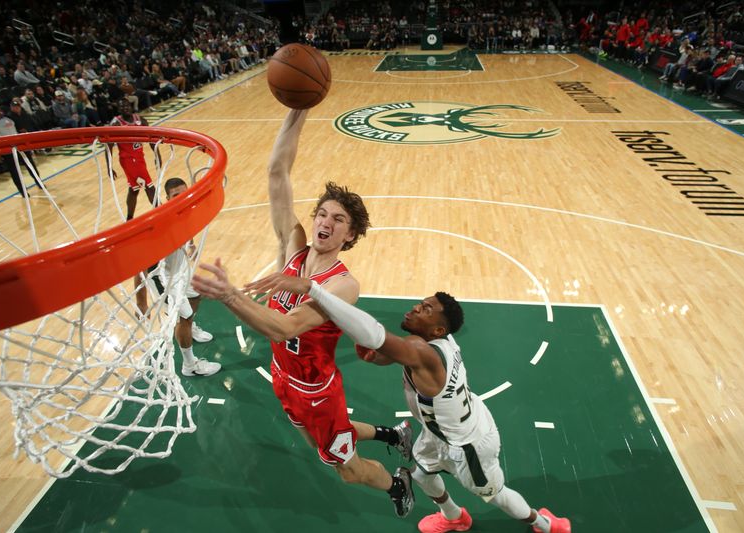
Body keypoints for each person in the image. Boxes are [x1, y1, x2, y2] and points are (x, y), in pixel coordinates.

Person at [191, 109, 415, 518]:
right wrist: (300, 108)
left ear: (349, 236)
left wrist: (229, 296)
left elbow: (286, 326)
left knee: (348, 471)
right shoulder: (292, 246)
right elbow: (278, 173)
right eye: (322, 214)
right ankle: (390, 433)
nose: (325, 222)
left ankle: (398, 482)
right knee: (321, 442)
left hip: (318, 392)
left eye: (338, 219)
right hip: (282, 377)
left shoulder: (343, 285)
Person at [242, 275, 573, 533]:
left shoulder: (423, 351)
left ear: (438, 327)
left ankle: (542, 523)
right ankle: (454, 517)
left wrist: (315, 290)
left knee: (495, 494)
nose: (417, 308)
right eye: (421, 303)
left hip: (467, 444)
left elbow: (375, 336)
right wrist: (375, 356)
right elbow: (388, 354)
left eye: (426, 310)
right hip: (439, 430)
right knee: (421, 472)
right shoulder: (432, 343)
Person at [137, 177, 218, 376]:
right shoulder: (156, 225)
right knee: (184, 316)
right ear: (167, 198)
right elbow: (139, 264)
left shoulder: (184, 212)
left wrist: (190, 247)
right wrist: (141, 302)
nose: (181, 198)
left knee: (196, 296)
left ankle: (190, 328)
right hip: (162, 277)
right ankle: (190, 366)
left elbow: (186, 232)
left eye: (183, 193)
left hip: (180, 268)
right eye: (175, 196)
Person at [106, 98, 157, 220]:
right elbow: (108, 146)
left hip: (139, 158)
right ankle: (161, 212)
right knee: (149, 186)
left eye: (127, 105)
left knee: (134, 189)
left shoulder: (140, 119)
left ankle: (129, 219)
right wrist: (109, 166)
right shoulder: (116, 124)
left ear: (130, 106)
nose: (125, 108)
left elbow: (152, 138)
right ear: (118, 110)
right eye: (122, 107)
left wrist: (157, 155)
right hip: (128, 160)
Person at [0, 101, 44, 197]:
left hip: (20, 145)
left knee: (30, 165)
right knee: (14, 171)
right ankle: (23, 191)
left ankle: (39, 182)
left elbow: (21, 129)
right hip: (6, 149)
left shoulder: (9, 117)